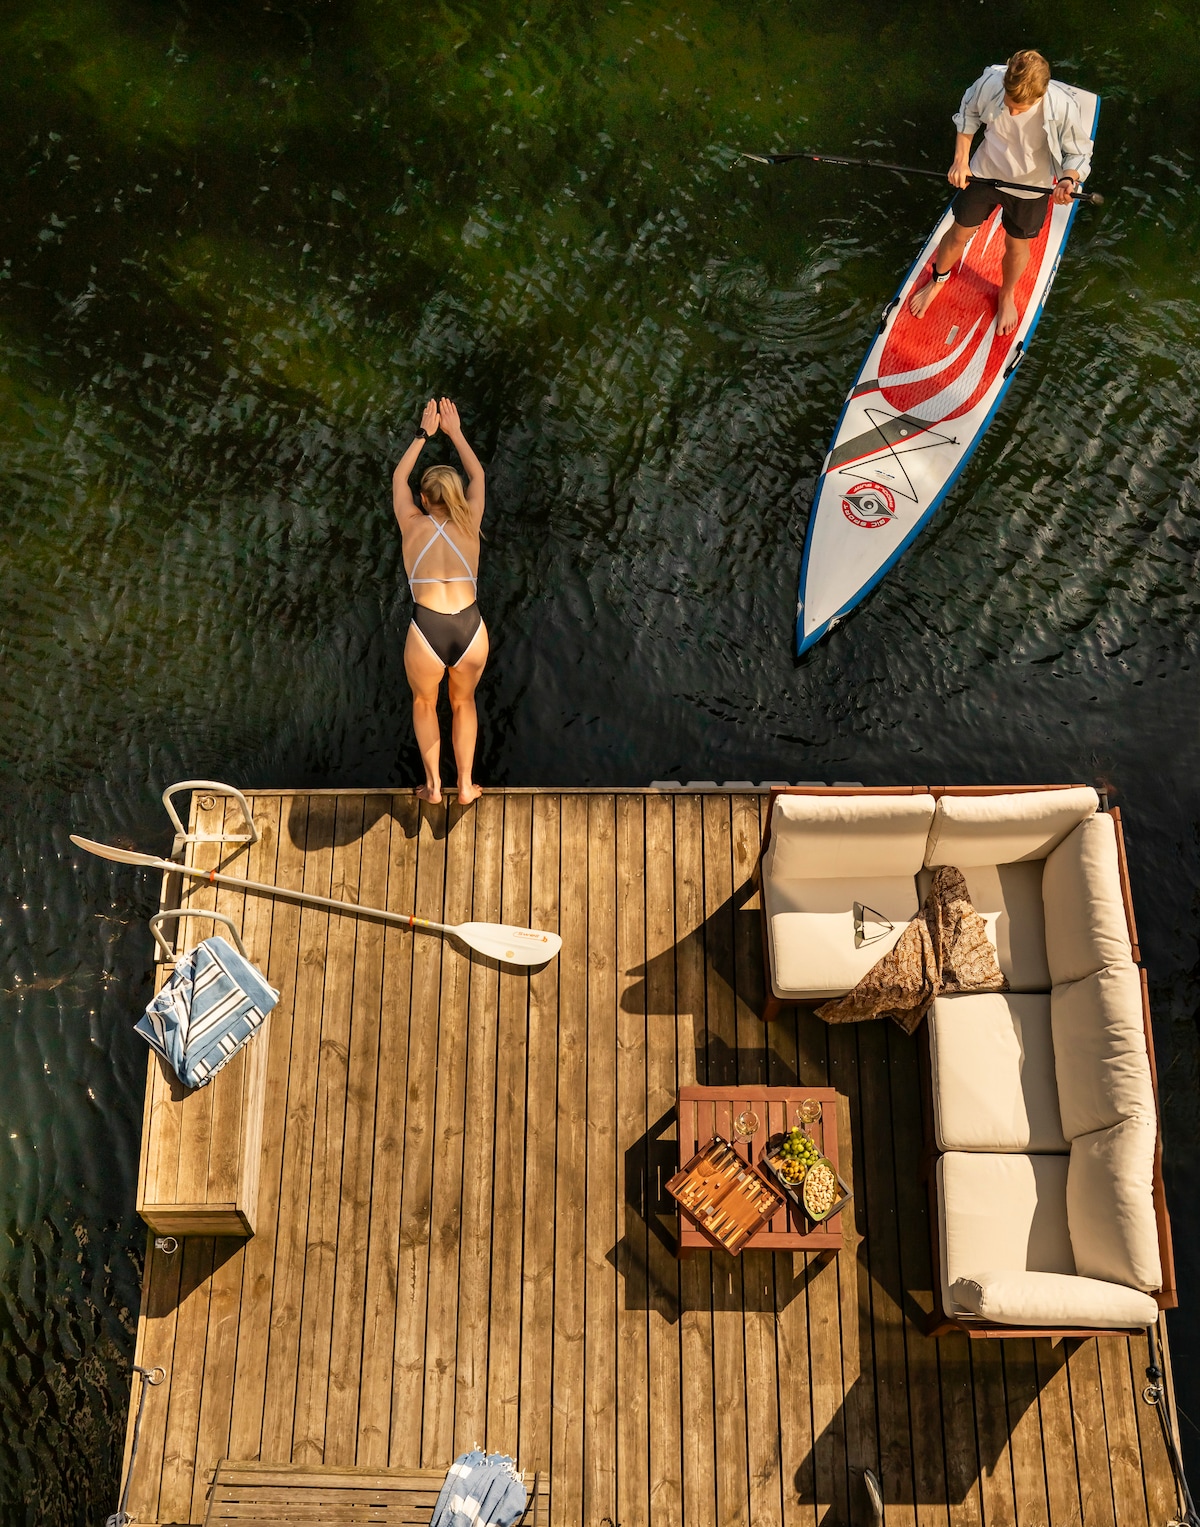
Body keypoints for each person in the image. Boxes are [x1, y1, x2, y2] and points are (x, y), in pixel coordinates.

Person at [908, 50, 1094, 336]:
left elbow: (1078, 153)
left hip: (1030, 187)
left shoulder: (1062, 108)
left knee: (1017, 245)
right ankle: (938, 280)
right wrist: (960, 161)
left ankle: (1006, 293)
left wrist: (1068, 179)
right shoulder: (991, 81)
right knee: (958, 232)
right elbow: (968, 113)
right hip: (985, 173)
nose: (1013, 113)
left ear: (1041, 95)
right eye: (1010, 104)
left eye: (1021, 108)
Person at [392, 397, 488, 805]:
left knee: (424, 703)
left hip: (426, 630)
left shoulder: (411, 524)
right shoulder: (470, 521)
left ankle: (433, 787)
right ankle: (464, 786)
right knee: (463, 702)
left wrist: (423, 434)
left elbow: (399, 478)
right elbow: (477, 473)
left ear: (424, 499)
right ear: (456, 497)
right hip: (470, 629)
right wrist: (455, 433)